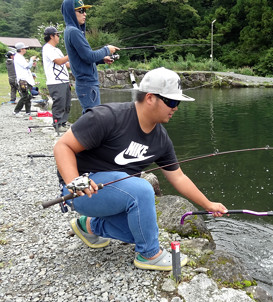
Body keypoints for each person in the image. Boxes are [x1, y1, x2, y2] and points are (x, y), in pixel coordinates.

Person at [53, 67, 228, 271]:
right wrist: (75, 181)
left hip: (114, 195)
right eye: (171, 102)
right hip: (79, 191)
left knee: (142, 230)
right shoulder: (108, 117)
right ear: (151, 98)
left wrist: (208, 204)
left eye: (178, 103)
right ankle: (149, 254)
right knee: (143, 189)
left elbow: (178, 177)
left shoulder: (161, 139)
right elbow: (62, 146)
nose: (176, 108)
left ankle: (89, 226)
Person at [61, 0, 119, 113]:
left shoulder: (71, 31)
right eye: (81, 10)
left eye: (85, 10)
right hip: (87, 84)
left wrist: (101, 60)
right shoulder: (74, 32)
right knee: (93, 120)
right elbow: (88, 56)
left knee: (91, 119)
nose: (85, 14)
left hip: (86, 84)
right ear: (71, 12)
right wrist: (106, 49)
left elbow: (82, 58)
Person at [42, 26, 72, 131]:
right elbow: (59, 61)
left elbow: (66, 64)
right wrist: (71, 54)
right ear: (51, 36)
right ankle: (57, 125)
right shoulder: (47, 48)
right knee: (59, 104)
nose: (59, 37)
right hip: (55, 82)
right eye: (57, 34)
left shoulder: (57, 50)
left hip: (64, 81)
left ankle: (63, 123)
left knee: (67, 104)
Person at [13, 42, 37, 117]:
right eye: (24, 48)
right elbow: (27, 66)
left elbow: (26, 66)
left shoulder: (20, 57)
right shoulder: (18, 57)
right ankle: (16, 111)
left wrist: (31, 63)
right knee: (25, 96)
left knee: (28, 96)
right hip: (23, 80)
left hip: (26, 79)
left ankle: (28, 112)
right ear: (21, 49)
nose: (25, 50)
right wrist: (31, 60)